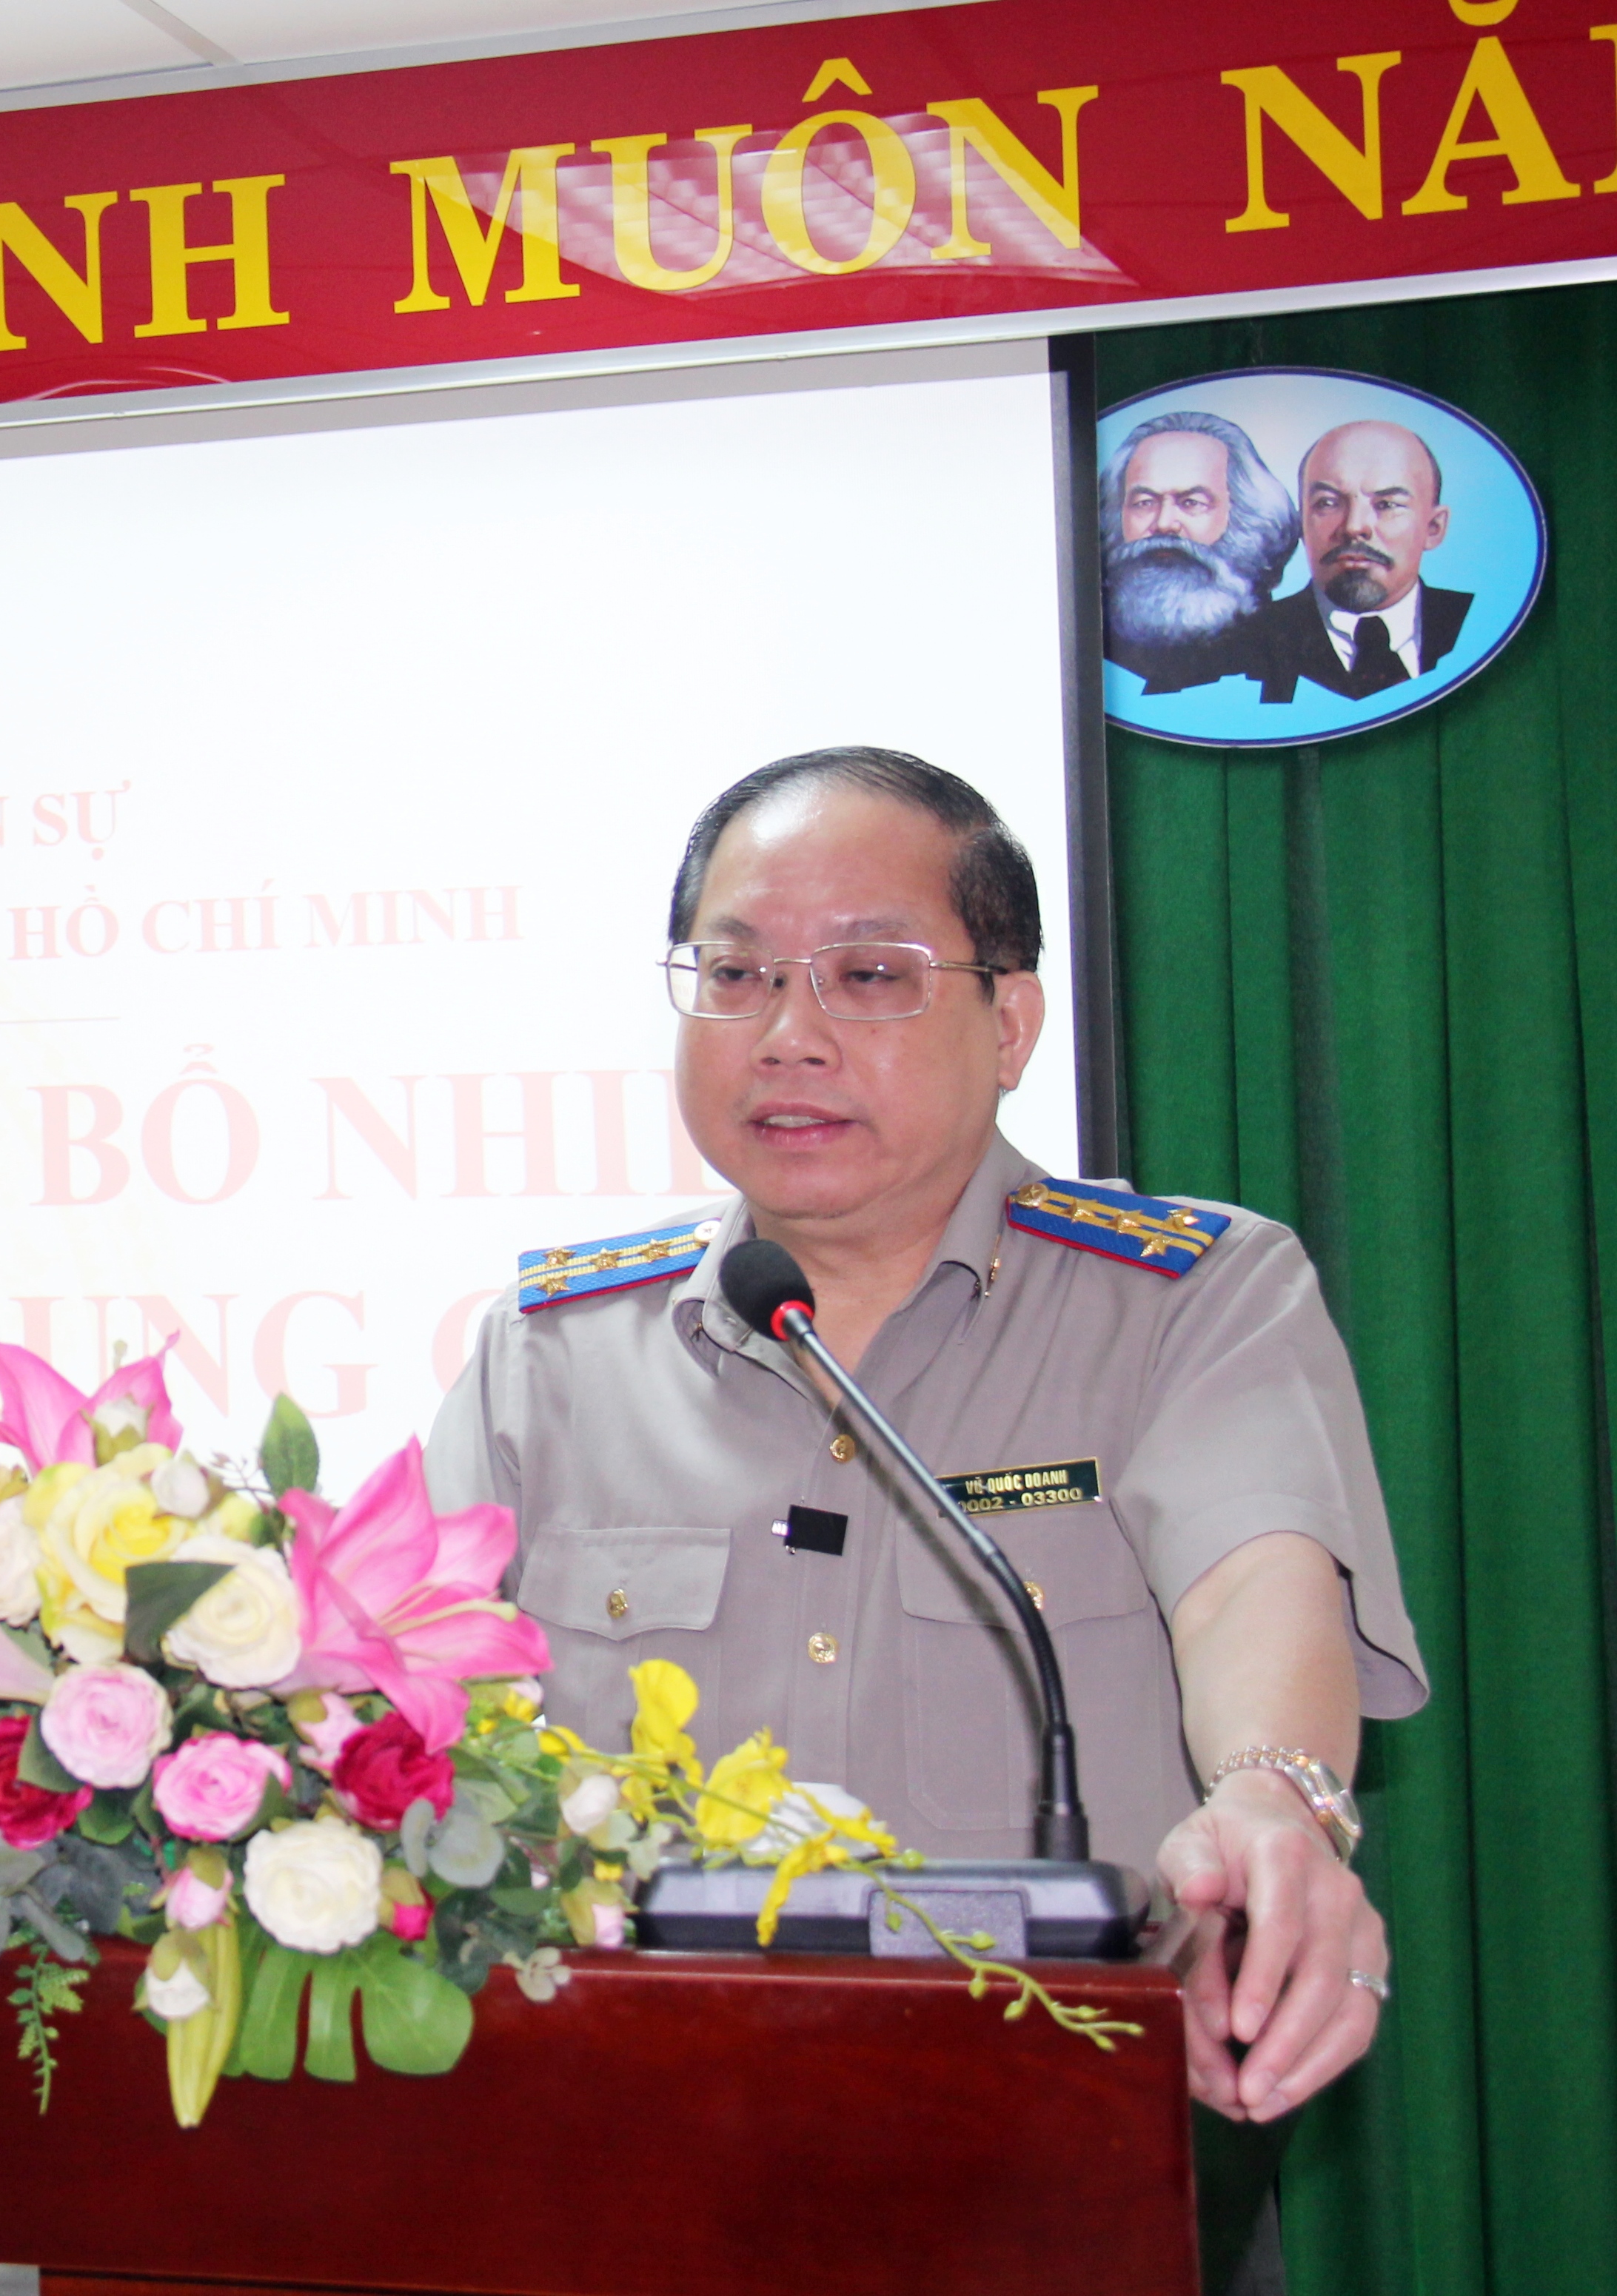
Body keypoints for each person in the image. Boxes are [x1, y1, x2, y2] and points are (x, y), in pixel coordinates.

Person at [427, 748, 1423, 2289]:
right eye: (735, 975)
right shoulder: (550, 1352)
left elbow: (1252, 1583)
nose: (786, 1033)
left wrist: (1270, 1801)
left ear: (1008, 1020)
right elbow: (412, 1712)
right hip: (626, 2180)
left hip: (1061, 2183)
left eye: (869, 975)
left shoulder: (1185, 1300)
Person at [1222, 420, 1472, 704]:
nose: (1354, 527)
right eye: (1328, 503)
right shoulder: (1239, 646)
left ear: (1434, 528)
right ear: (1301, 524)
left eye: (1387, 505)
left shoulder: (1478, 625)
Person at [1099, 410, 1299, 693]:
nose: (1165, 523)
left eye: (1192, 503)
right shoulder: (1090, 643)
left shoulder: (1288, 652)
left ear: (1243, 517)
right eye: (1144, 503)